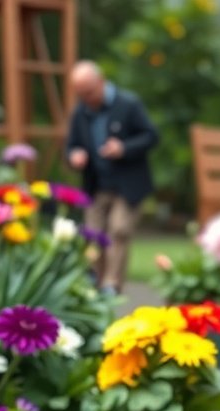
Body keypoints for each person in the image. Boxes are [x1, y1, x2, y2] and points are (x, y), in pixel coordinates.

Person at [66, 60, 159, 295]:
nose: (86, 98)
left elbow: (151, 136)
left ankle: (111, 284)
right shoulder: (81, 112)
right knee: (92, 234)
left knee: (118, 230)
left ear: (101, 82)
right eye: (81, 94)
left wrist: (124, 148)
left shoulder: (128, 104)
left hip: (128, 185)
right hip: (97, 185)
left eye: (89, 92)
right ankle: (93, 284)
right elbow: (71, 145)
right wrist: (75, 154)